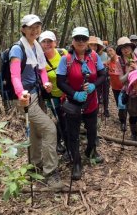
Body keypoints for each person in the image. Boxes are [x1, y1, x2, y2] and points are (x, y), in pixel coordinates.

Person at [9, 14, 63, 191]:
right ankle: (50, 172)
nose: (35, 30)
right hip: (26, 98)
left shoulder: (36, 47)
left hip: (37, 94)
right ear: (23, 29)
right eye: (31, 27)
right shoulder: (18, 49)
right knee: (49, 128)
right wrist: (20, 93)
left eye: (37, 26)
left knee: (35, 131)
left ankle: (35, 164)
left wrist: (46, 82)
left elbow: (41, 71)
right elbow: (15, 75)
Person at [57, 27, 106, 181]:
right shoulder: (66, 59)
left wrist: (93, 86)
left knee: (92, 131)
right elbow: (60, 81)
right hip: (73, 103)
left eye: (83, 39)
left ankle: (90, 151)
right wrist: (74, 94)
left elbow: (103, 75)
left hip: (91, 102)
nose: (80, 41)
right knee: (73, 135)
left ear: (87, 41)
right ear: (72, 40)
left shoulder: (94, 57)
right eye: (77, 38)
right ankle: (76, 163)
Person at [38, 31, 68, 153]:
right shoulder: (39, 59)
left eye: (49, 41)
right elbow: (38, 77)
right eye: (44, 42)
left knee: (67, 118)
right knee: (60, 119)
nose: (47, 44)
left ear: (55, 42)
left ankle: (67, 141)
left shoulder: (63, 53)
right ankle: (62, 143)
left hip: (67, 93)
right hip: (52, 96)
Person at [116, 36, 137, 142]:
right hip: (130, 92)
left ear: (131, 47)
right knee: (133, 114)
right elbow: (121, 80)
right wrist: (128, 72)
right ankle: (134, 135)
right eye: (122, 48)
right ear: (120, 50)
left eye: (127, 47)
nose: (125, 49)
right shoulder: (119, 61)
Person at [105, 45, 123, 124]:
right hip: (114, 87)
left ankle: (123, 122)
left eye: (111, 50)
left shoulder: (120, 59)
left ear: (115, 51)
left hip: (123, 87)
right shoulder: (108, 62)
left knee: (122, 103)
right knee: (118, 103)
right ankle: (122, 118)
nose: (109, 53)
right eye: (108, 51)